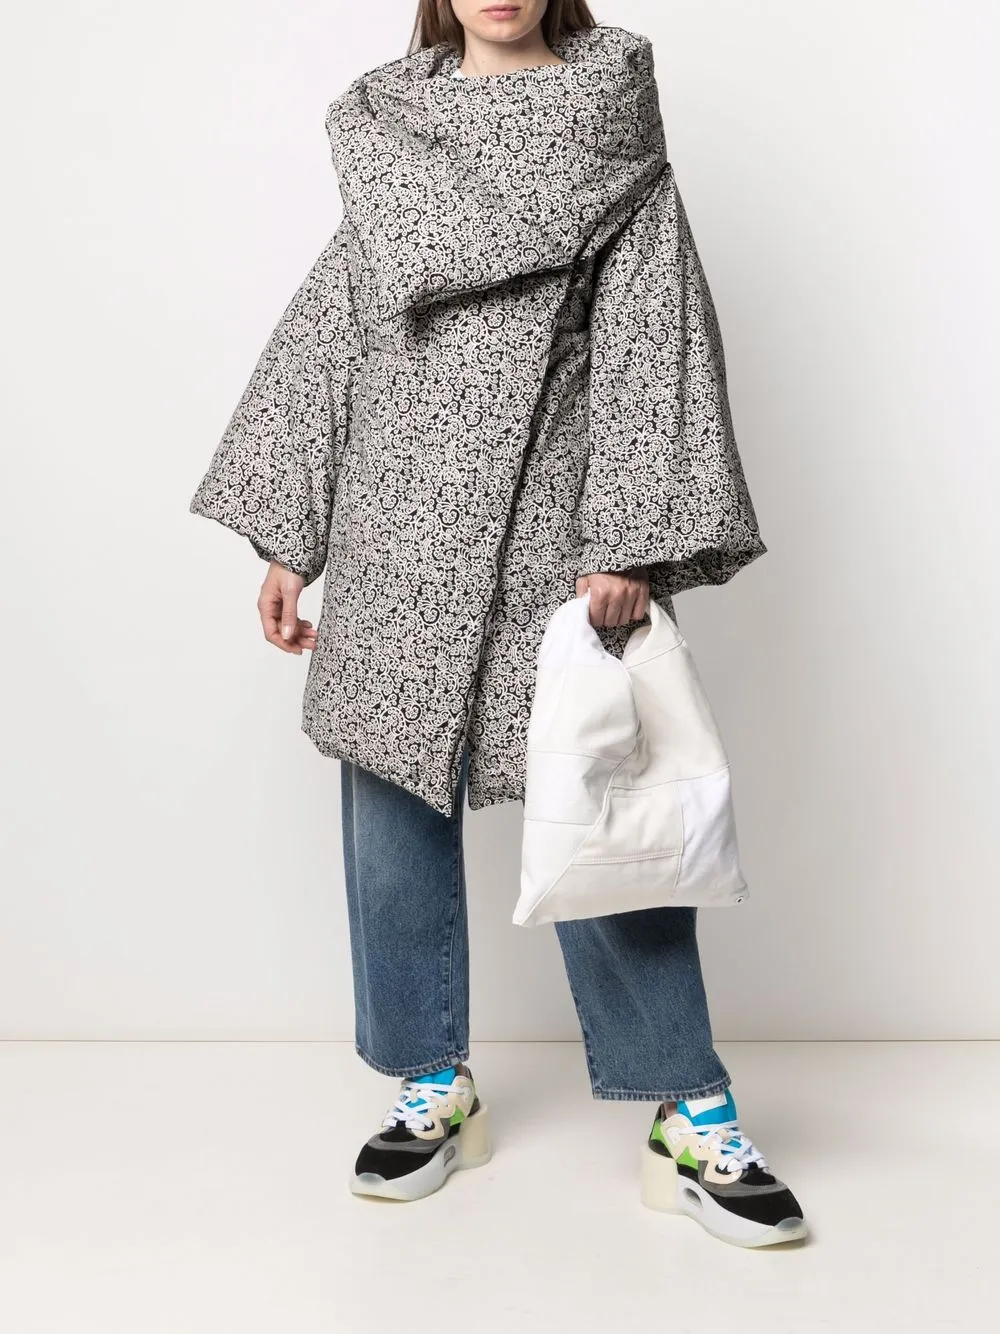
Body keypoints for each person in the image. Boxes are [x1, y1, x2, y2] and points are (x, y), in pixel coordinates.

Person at [189, 0, 807, 1248]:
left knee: (601, 799)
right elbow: (332, 333)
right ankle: (431, 1081)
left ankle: (686, 1105)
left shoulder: (610, 123)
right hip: (397, 517)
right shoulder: (389, 131)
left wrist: (625, 533)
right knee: (391, 801)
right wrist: (292, 534)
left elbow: (653, 337)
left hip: (553, 525)